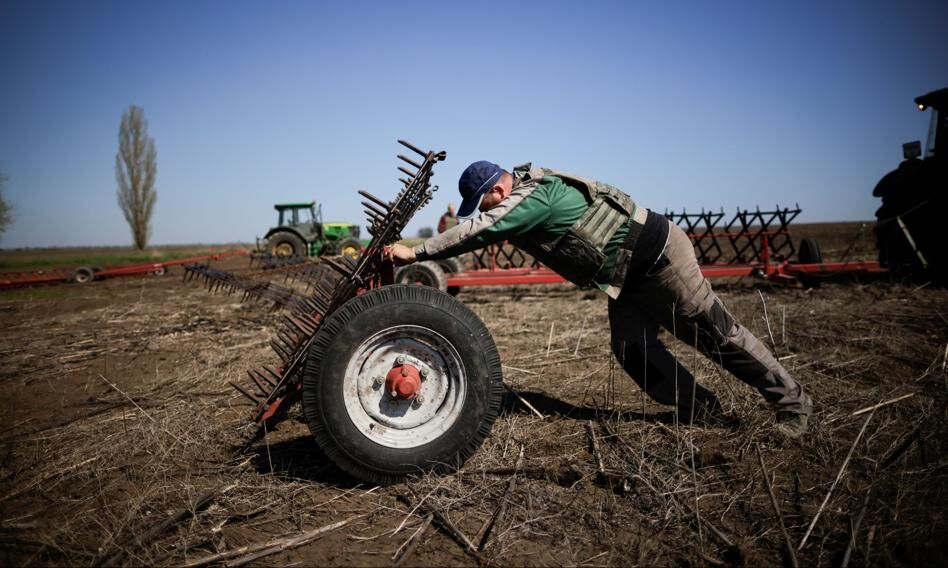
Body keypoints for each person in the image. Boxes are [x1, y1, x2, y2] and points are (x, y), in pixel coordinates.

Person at [387, 161, 813, 438]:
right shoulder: (523, 196)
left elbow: (483, 230)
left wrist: (417, 251)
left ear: (498, 189)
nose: (485, 212)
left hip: (658, 257)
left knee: (714, 333)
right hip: (624, 277)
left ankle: (792, 404)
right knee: (632, 349)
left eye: (484, 204)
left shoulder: (532, 196)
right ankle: (700, 409)